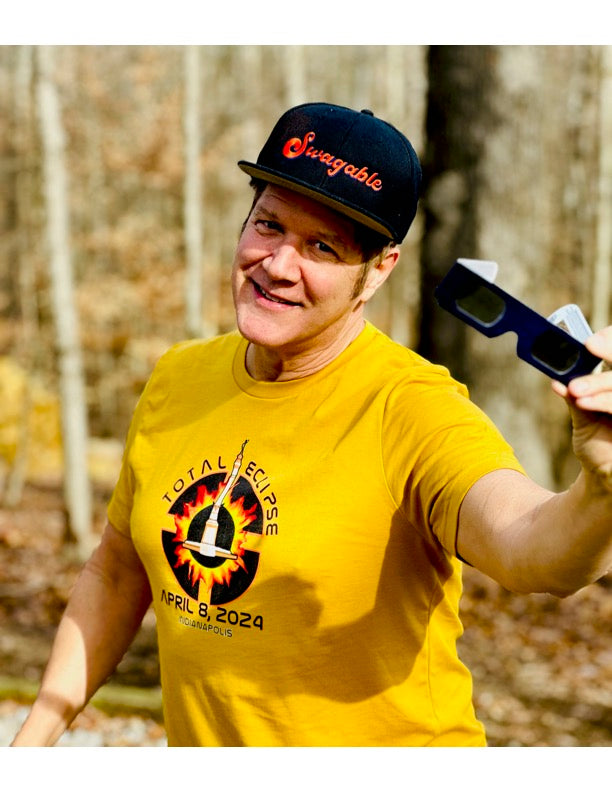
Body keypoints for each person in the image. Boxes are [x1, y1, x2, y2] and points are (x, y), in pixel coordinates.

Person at [12, 102, 612, 747]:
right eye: (269, 225)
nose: (277, 265)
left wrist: (602, 491)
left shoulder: (411, 407)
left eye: (322, 247)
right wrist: (35, 737)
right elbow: (117, 570)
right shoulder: (178, 378)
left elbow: (535, 553)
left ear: (378, 270)